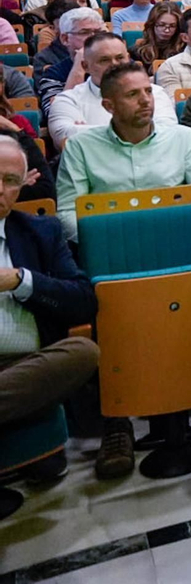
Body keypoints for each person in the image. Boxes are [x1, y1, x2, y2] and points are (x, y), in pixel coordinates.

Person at [0, 135, 101, 475]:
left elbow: (83, 301)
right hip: (23, 391)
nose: (0, 189)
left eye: (11, 181)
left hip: (32, 366)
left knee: (83, 352)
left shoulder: (41, 231)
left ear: (21, 188)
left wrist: (20, 280)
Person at [55, 60, 191, 241]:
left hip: (176, 239)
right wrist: (111, 240)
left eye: (148, 91)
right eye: (132, 94)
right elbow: (68, 213)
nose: (145, 100)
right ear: (109, 106)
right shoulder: (80, 146)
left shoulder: (184, 138)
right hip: (109, 246)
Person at [47, 32, 178, 146]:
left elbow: (168, 133)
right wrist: (140, 130)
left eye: (120, 58)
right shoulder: (68, 100)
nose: (115, 65)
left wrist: (86, 132)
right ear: (85, 66)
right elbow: (65, 138)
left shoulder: (154, 92)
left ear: (128, 58)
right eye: (104, 60)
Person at [32, 4, 102, 116]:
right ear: (65, 39)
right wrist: (79, 65)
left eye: (99, 32)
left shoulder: (118, 64)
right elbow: (56, 114)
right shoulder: (53, 74)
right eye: (84, 32)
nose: (94, 38)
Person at [0, 92, 54, 205]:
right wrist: (16, 185)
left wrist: (12, 128)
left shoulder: (18, 139)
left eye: (9, 180)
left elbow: (47, 191)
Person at [130, 2, 183, 72]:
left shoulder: (183, 51)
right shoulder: (137, 52)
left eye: (172, 26)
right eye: (161, 25)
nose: (167, 30)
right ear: (152, 24)